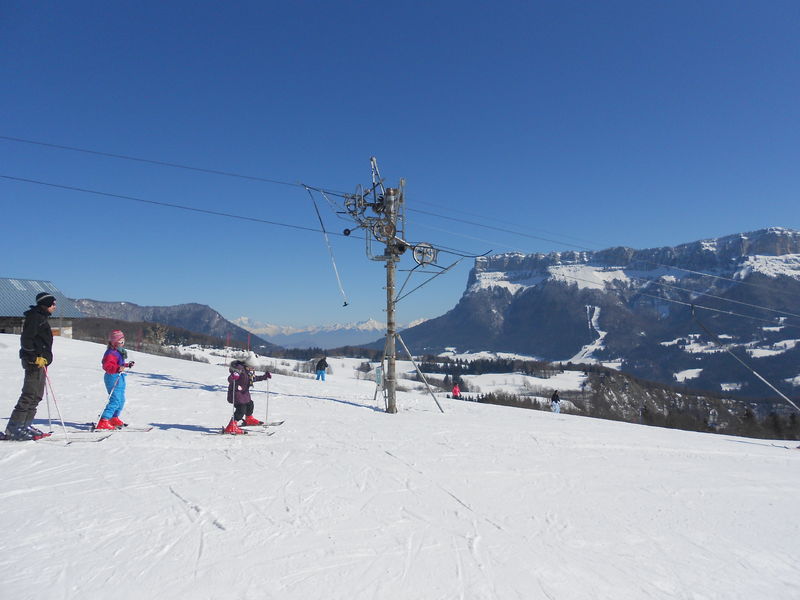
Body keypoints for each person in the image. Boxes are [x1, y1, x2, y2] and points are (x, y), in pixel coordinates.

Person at [4, 292, 57, 441]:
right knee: (29, 394)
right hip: (34, 362)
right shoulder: (35, 317)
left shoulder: (41, 317)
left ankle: (25, 424)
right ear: (46, 304)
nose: (55, 306)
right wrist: (34, 357)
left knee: (37, 395)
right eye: (53, 304)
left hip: (41, 362)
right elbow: (26, 339)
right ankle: (14, 428)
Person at [95, 330, 135, 430]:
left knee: (121, 400)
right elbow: (107, 366)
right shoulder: (111, 353)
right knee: (115, 399)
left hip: (119, 376)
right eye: (120, 341)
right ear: (114, 342)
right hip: (112, 377)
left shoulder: (118, 351)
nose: (122, 343)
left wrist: (126, 365)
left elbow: (118, 364)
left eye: (123, 341)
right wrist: (118, 368)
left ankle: (113, 417)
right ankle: (103, 420)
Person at [223, 353, 272, 434]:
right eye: (252, 367)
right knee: (241, 409)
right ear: (247, 365)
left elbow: (253, 379)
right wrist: (234, 376)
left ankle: (249, 419)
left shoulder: (248, 371)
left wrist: (264, 377)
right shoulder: (239, 369)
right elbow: (230, 379)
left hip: (244, 394)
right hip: (236, 394)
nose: (253, 369)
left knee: (250, 404)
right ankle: (231, 426)